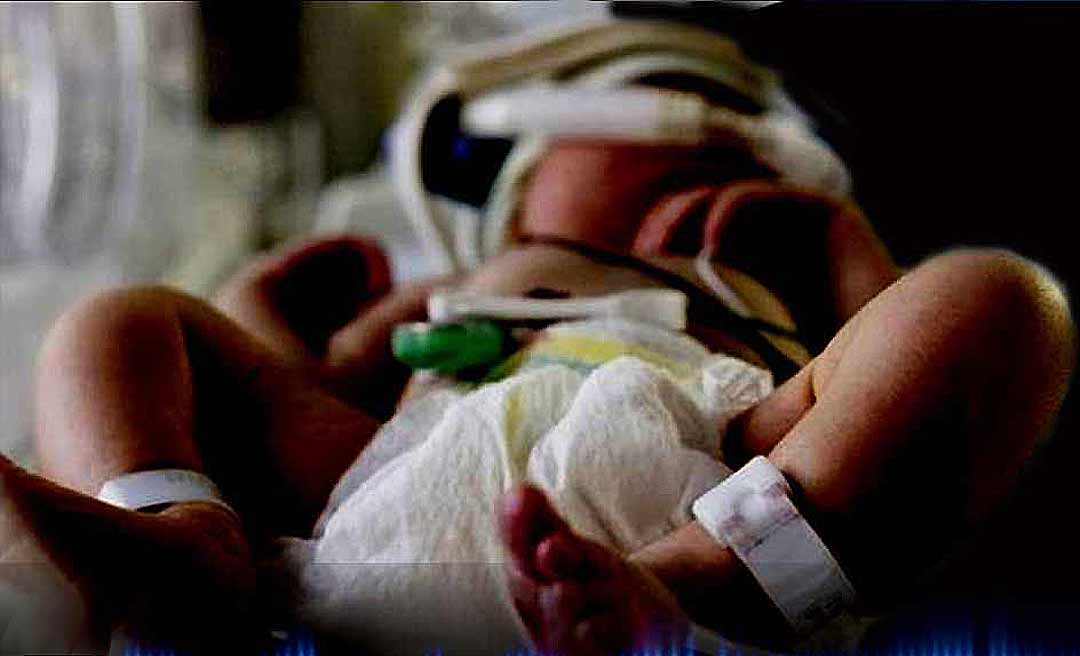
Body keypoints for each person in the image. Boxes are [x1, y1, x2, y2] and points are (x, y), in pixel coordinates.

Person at [2, 79, 1076, 656]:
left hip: (719, 472)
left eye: (714, 155)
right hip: (387, 473)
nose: (670, 170)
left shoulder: (755, 286)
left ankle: (697, 588)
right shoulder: (477, 281)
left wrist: (835, 243)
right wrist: (258, 314)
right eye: (612, 143)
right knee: (123, 322)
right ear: (516, 212)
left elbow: (889, 370)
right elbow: (312, 378)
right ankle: (178, 528)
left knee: (989, 301)